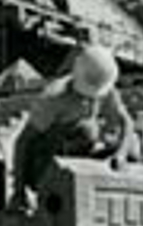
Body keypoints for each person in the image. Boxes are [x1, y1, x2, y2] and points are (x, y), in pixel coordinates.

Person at [9, 43, 135, 211]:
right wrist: (19, 191)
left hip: (78, 153)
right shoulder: (53, 98)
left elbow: (126, 122)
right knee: (86, 130)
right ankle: (51, 189)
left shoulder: (102, 84)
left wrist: (122, 154)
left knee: (132, 148)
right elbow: (23, 142)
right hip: (45, 163)